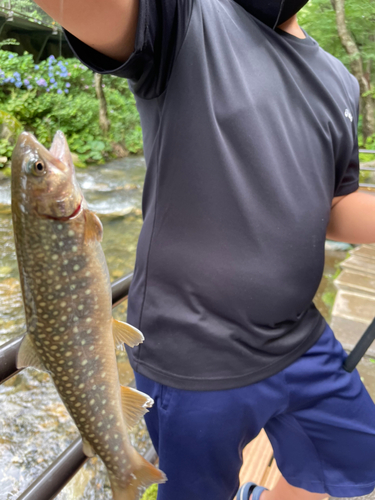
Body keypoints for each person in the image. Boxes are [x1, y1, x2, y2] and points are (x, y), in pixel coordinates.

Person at [32, 1, 375, 499]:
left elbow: (335, 204)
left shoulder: (342, 81)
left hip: (302, 339)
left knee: (358, 460)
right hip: (194, 363)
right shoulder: (185, 17)